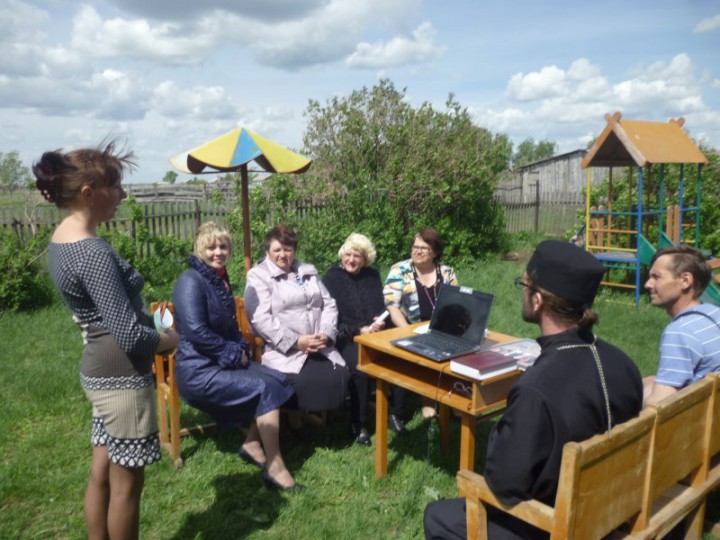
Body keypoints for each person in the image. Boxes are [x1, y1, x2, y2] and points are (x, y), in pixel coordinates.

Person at [423, 240, 643, 540]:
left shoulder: (534, 391)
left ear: (538, 300)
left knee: (438, 516)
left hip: (557, 522)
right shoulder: (624, 363)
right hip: (611, 504)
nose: (523, 292)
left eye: (524, 285)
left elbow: (503, 485)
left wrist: (500, 432)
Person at [33, 141, 180, 539]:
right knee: (126, 486)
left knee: (101, 471)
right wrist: (170, 339)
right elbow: (130, 336)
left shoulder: (61, 241)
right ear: (88, 193)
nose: (122, 195)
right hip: (121, 380)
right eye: (114, 186)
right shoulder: (92, 252)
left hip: (99, 375)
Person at [172, 222, 301, 491]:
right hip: (199, 370)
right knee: (265, 387)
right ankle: (275, 467)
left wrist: (240, 348)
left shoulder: (218, 278)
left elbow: (228, 327)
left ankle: (252, 443)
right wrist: (233, 353)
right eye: (211, 247)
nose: (218, 252)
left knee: (279, 378)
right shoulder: (189, 282)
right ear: (200, 249)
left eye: (223, 246)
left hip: (221, 362)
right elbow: (196, 332)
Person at [244, 224, 350, 416]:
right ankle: (297, 420)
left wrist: (326, 334)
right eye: (277, 250)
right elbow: (260, 318)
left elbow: (329, 303)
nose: (282, 255)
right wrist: (296, 341)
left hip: (319, 344)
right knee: (305, 381)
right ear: (267, 251)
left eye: (288, 249)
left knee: (339, 373)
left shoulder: (307, 271)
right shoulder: (258, 276)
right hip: (285, 351)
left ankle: (313, 420)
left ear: (294, 250)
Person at [383, 227, 458, 421]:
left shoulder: (446, 272)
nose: (417, 251)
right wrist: (409, 332)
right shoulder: (400, 270)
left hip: (441, 329)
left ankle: (455, 399)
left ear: (434, 251)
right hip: (410, 328)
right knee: (424, 350)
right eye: (415, 247)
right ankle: (428, 401)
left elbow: (455, 303)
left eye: (423, 248)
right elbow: (392, 306)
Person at [322, 233, 388, 446]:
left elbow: (381, 306)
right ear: (342, 255)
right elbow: (331, 318)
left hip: (374, 334)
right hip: (346, 336)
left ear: (365, 258)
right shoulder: (332, 278)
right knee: (361, 368)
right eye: (348, 254)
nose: (351, 260)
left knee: (400, 358)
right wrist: (359, 330)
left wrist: (380, 321)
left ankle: (395, 413)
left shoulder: (372, 276)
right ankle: (358, 423)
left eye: (357, 256)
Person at [643, 245, 720, 406]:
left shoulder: (680, 332)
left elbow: (659, 407)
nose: (648, 284)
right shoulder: (715, 314)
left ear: (685, 281)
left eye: (656, 277)